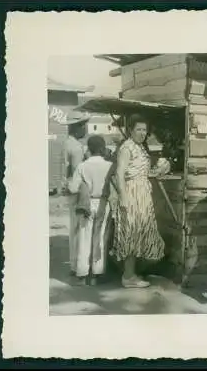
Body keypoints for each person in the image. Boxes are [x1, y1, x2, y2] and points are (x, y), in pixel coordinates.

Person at [110, 113, 170, 288]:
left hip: (143, 193)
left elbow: (141, 171)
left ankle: (132, 273)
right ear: (130, 130)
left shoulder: (140, 147)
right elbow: (119, 173)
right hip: (132, 194)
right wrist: (123, 197)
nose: (142, 133)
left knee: (142, 234)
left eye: (145, 130)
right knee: (131, 234)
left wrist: (159, 170)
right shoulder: (127, 148)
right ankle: (128, 276)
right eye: (139, 129)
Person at [68, 135, 113, 286]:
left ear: (89, 148)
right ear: (102, 148)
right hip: (103, 202)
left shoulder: (82, 166)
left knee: (84, 237)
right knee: (99, 238)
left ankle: (82, 274)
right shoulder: (109, 165)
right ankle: (96, 274)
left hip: (86, 204)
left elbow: (73, 188)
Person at [60, 111, 90, 277]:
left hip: (70, 188)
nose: (85, 128)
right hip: (77, 190)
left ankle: (74, 264)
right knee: (80, 229)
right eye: (83, 124)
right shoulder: (77, 148)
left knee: (74, 228)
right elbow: (79, 173)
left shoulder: (67, 143)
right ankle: (78, 265)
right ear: (77, 127)